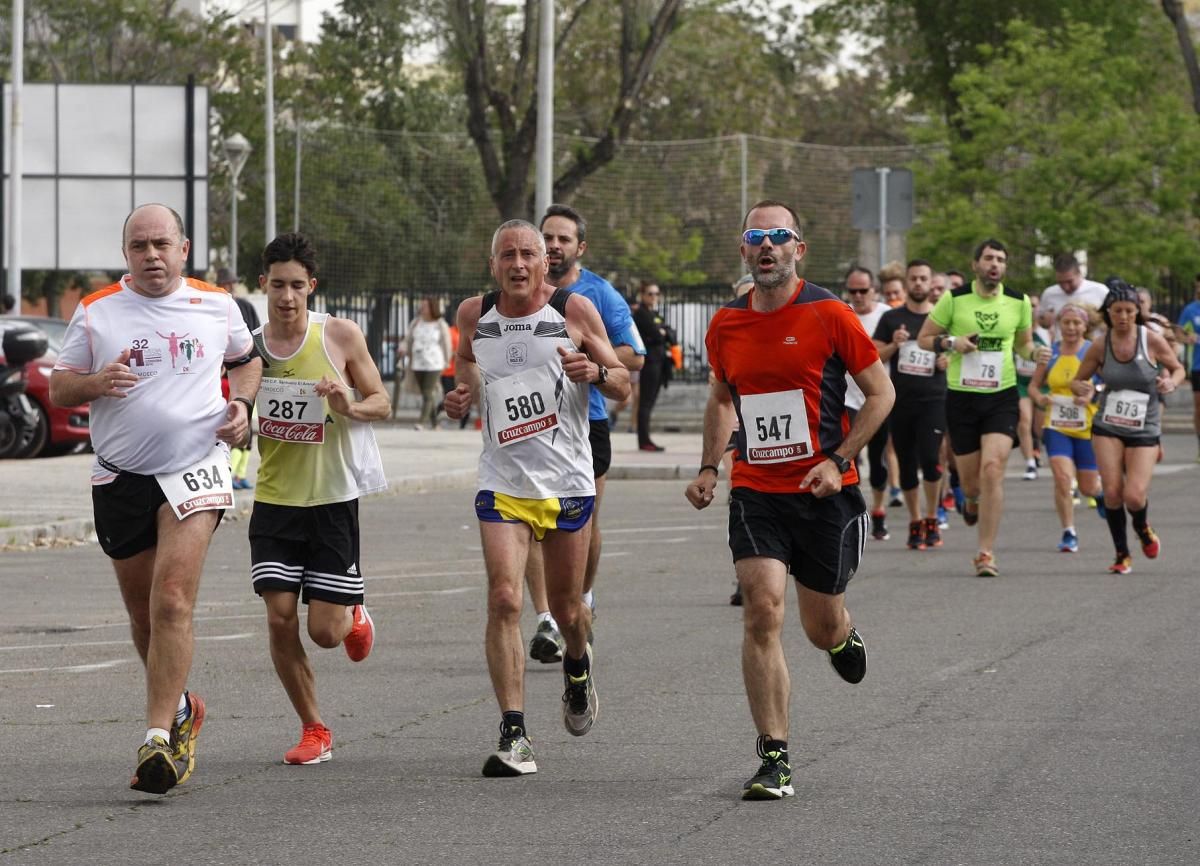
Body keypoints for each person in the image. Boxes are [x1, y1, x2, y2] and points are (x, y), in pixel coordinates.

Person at [49, 203, 261, 794]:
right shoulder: (96, 313)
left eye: (162, 244)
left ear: (183, 249)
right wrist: (95, 382)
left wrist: (242, 407)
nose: (152, 256)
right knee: (144, 618)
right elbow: (60, 385)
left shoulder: (216, 303)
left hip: (196, 467)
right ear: (126, 255)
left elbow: (246, 363)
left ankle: (157, 738)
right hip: (121, 476)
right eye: (140, 246)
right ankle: (183, 706)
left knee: (172, 601)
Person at [686, 200, 893, 801]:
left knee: (819, 625)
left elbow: (880, 396)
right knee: (762, 610)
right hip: (757, 489)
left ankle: (842, 635)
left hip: (825, 491)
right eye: (757, 236)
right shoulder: (725, 323)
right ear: (744, 248)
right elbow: (723, 399)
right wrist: (709, 467)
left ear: (798, 249)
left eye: (780, 236)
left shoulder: (831, 313)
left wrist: (840, 459)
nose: (768, 246)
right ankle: (774, 755)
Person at [443, 219, 630, 776]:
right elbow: (467, 366)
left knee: (570, 612)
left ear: (545, 262)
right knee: (504, 599)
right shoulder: (473, 315)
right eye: (508, 255)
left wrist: (595, 371)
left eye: (528, 254)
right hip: (502, 481)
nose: (519, 264)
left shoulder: (572, 311)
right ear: (493, 261)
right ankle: (515, 734)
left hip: (567, 480)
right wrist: (459, 397)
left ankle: (578, 665)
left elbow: (623, 380)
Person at [246, 233, 389, 764]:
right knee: (280, 616)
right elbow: (235, 404)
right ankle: (315, 729)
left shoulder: (339, 336)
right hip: (275, 500)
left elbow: (382, 402)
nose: (287, 296)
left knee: (324, 633)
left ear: (312, 287)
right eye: (277, 285)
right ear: (264, 285)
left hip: (331, 500)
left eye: (297, 286)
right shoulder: (250, 348)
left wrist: (348, 404)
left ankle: (353, 616)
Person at [524, 204, 644, 663]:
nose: (553, 246)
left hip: (586, 420)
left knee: (583, 523)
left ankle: (582, 598)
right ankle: (547, 619)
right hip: (531, 424)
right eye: (547, 238)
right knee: (533, 523)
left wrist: (589, 360)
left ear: (580, 247)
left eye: (563, 240)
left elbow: (634, 356)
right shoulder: (517, 289)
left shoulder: (600, 296)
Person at [916, 238, 1050, 577]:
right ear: (976, 264)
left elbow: (1023, 343)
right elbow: (923, 339)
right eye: (989, 258)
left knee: (994, 468)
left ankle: (985, 553)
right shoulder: (955, 299)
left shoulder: (1018, 302)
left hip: (1001, 397)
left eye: (1001, 259)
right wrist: (951, 342)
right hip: (962, 398)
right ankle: (971, 499)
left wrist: (1035, 354)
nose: (995, 264)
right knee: (973, 484)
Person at [1072, 279, 1184, 574]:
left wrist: (1171, 381)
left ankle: (1143, 528)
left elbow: (1177, 367)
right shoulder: (1101, 344)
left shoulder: (1151, 340)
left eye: (1129, 311)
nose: (1123, 317)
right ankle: (1122, 553)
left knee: (1134, 495)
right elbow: (1079, 378)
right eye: (1117, 311)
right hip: (1108, 423)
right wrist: (1081, 389)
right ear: (1108, 312)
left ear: (1138, 312)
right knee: (1111, 493)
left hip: (1144, 426)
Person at [872, 259, 949, 550]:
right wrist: (894, 344)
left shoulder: (942, 319)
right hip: (901, 401)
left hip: (934, 400)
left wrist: (947, 359)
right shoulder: (892, 319)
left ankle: (932, 516)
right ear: (907, 283)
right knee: (905, 464)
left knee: (930, 460)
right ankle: (915, 521)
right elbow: (875, 356)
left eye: (923, 279)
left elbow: (959, 352)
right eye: (913, 278)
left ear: (931, 284)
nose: (918, 283)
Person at [1028, 303, 1105, 553]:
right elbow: (1033, 386)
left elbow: (1109, 384)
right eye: (1066, 322)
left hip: (1086, 426)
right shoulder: (1049, 353)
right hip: (1056, 424)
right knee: (1062, 479)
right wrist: (1040, 399)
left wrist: (1093, 393)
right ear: (1059, 325)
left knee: (1088, 488)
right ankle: (1068, 531)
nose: (1071, 327)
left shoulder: (1093, 352)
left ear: (1085, 325)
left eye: (1076, 323)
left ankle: (1101, 495)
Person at [843, 267, 891, 540]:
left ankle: (880, 509)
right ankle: (856, 510)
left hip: (878, 398)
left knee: (878, 457)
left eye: (864, 290)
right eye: (853, 291)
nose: (859, 296)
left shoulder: (886, 315)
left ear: (874, 290)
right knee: (850, 457)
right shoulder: (841, 314)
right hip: (847, 397)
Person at [217, 267, 261, 489]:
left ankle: (240, 474)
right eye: (227, 283)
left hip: (242, 376)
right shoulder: (211, 305)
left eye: (232, 283)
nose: (230, 287)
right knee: (228, 425)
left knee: (246, 429)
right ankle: (229, 473)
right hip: (222, 381)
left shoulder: (243, 306)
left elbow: (253, 343)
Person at [404, 297, 452, 430]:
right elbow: (408, 339)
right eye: (422, 306)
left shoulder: (440, 324)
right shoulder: (416, 322)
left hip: (434, 363)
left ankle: (421, 422)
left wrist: (446, 361)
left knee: (427, 392)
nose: (422, 308)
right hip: (417, 363)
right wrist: (404, 350)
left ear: (433, 307)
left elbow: (446, 344)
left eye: (425, 306)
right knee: (427, 394)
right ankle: (435, 423)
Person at [1014, 293, 1048, 481]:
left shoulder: (1045, 334)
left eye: (1035, 306)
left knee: (1040, 428)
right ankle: (1030, 463)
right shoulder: (1015, 332)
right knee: (1024, 421)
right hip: (1021, 384)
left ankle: (1039, 449)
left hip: (1042, 384)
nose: (1032, 310)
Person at [632, 280, 669, 451]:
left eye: (656, 294)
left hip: (659, 361)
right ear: (643, 295)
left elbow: (669, 334)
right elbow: (657, 334)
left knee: (649, 402)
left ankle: (646, 439)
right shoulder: (641, 313)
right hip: (649, 362)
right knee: (645, 402)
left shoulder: (654, 313)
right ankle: (644, 440)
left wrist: (662, 331)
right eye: (650, 294)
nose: (654, 297)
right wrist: (661, 331)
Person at [1038, 253, 1109, 336]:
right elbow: (1043, 322)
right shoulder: (1049, 294)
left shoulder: (1100, 290)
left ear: (1079, 274)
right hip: (1062, 346)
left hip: (1094, 345)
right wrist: (1045, 322)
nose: (1065, 287)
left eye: (1069, 281)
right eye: (1060, 282)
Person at [1172, 273, 1200, 462]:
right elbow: (1177, 334)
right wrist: (1188, 338)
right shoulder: (1191, 310)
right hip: (1198, 365)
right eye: (1198, 287)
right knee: (1199, 407)